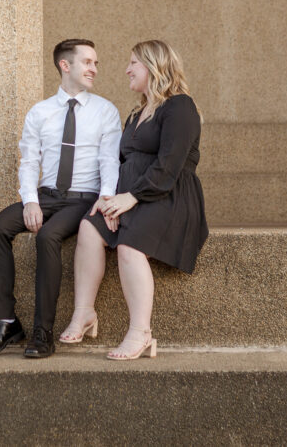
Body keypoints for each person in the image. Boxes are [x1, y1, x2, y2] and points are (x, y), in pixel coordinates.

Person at [59, 39, 207, 360]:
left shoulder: (180, 107)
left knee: (129, 246)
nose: (126, 70)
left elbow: (169, 166)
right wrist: (110, 198)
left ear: (154, 66)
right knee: (89, 229)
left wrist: (131, 198)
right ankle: (84, 313)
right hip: (131, 196)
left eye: (133, 64)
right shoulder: (138, 112)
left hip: (169, 197)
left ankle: (141, 333)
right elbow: (122, 162)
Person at [0, 39, 122, 359]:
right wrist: (30, 201)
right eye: (87, 62)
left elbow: (110, 160)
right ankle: (6, 321)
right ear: (64, 65)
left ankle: (43, 333)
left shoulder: (105, 111)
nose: (94, 69)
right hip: (47, 196)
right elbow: (29, 161)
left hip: (84, 200)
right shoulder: (40, 112)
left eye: (96, 63)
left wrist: (106, 198)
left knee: (48, 237)